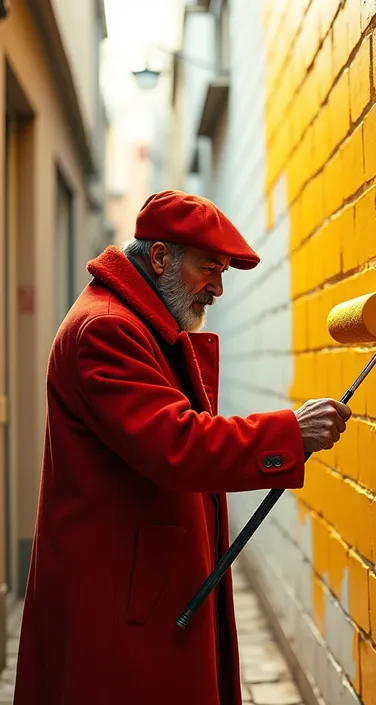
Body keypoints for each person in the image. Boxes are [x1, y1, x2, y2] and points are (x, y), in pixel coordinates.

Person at [13, 190, 351, 705]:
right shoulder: (106, 329)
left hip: (139, 585)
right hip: (118, 599)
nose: (217, 288)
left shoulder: (134, 320)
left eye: (222, 273)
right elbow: (177, 442)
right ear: (161, 257)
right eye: (209, 269)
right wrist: (290, 432)